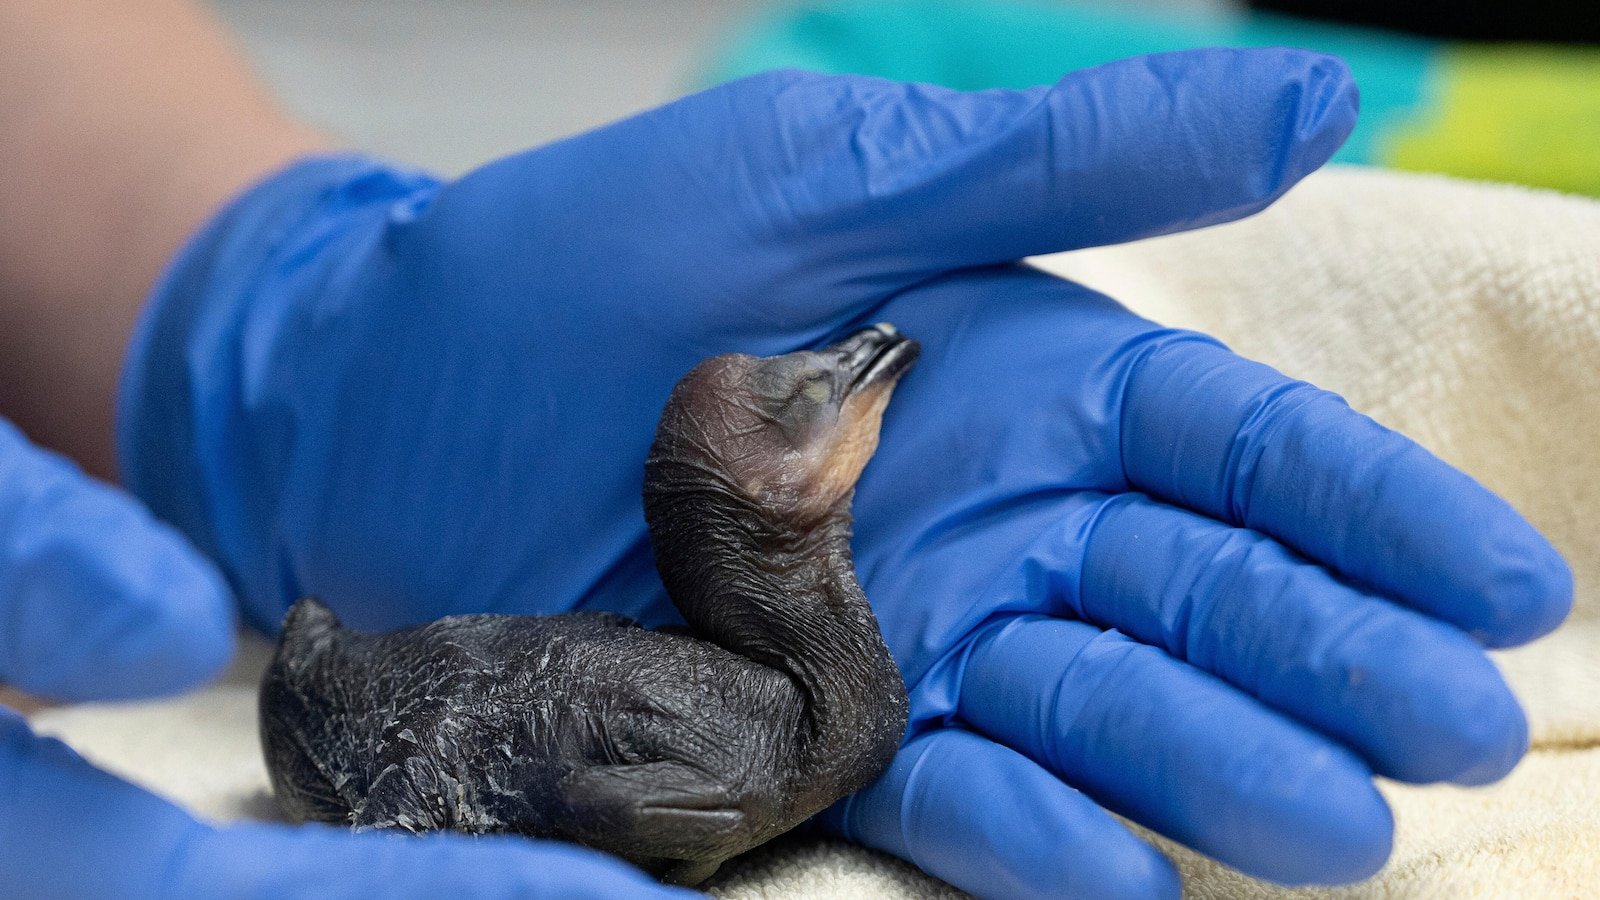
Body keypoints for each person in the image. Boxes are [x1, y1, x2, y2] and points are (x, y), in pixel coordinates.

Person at [0, 2, 1572, 898]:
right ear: (752, 511)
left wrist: (254, 299)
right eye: (807, 408)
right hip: (327, 718)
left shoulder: (763, 713)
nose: (867, 367)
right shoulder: (765, 737)